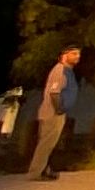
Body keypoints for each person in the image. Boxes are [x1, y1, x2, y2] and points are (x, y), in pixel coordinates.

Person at [28, 46, 84, 178]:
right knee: (46, 143)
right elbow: (54, 92)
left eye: (79, 54)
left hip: (57, 113)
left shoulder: (68, 71)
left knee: (50, 144)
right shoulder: (60, 71)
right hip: (52, 113)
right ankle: (36, 172)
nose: (77, 56)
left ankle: (44, 169)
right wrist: (59, 109)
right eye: (74, 54)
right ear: (64, 55)